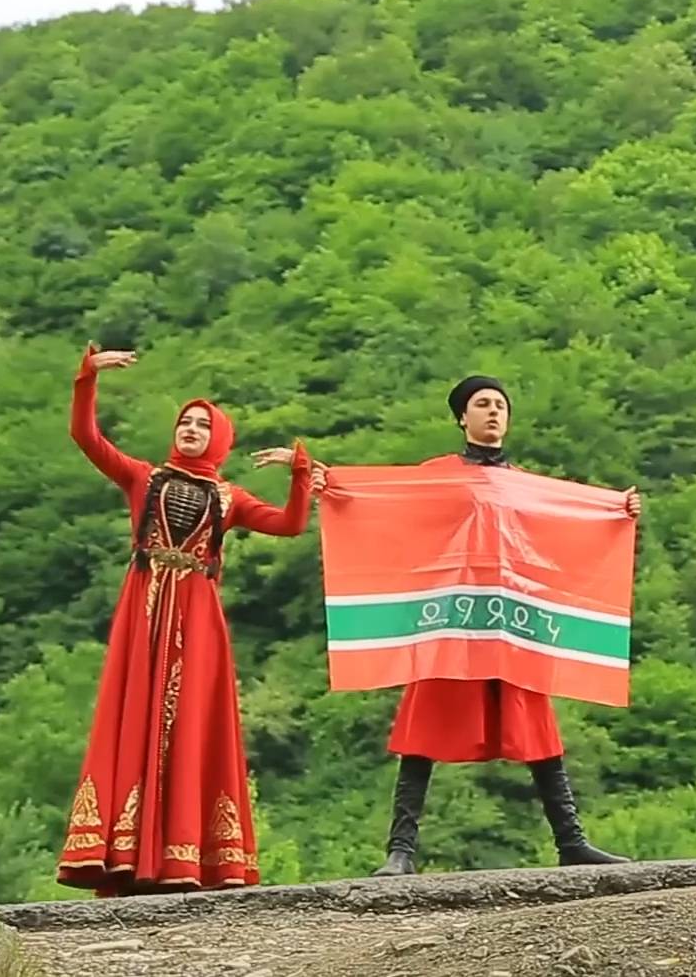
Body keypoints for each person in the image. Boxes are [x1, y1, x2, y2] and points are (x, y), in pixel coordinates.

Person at [268, 375, 639, 875]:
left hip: (511, 624)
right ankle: (401, 851)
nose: (493, 412)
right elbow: (390, 506)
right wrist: (334, 483)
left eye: (500, 405)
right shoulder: (437, 475)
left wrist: (618, 510)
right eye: (481, 404)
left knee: (539, 732)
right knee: (422, 732)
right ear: (462, 417)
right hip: (452, 624)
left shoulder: (527, 485)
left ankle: (571, 842)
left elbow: (569, 524)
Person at [59, 344, 314, 896]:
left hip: (198, 616)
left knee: (194, 721)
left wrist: (300, 474)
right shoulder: (144, 478)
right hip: (146, 606)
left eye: (203, 424)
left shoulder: (229, 498)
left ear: (220, 438)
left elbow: (292, 525)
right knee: (136, 714)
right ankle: (126, 853)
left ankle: (186, 856)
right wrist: (86, 381)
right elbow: (87, 438)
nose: (192, 429)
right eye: (185, 421)